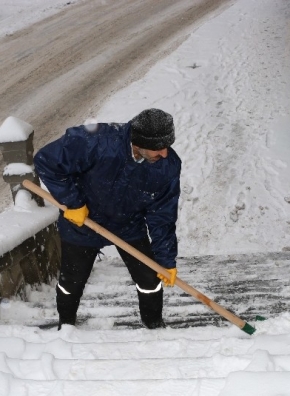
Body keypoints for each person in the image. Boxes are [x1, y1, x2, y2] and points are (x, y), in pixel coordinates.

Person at [33, 108, 181, 330]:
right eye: (158, 148)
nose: (164, 153)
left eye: (167, 146)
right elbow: (46, 161)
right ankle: (66, 326)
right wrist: (73, 202)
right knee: (71, 283)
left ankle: (154, 326)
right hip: (83, 223)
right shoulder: (96, 142)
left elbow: (163, 215)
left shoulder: (166, 167)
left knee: (150, 280)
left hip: (129, 226)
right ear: (138, 142)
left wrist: (166, 259)